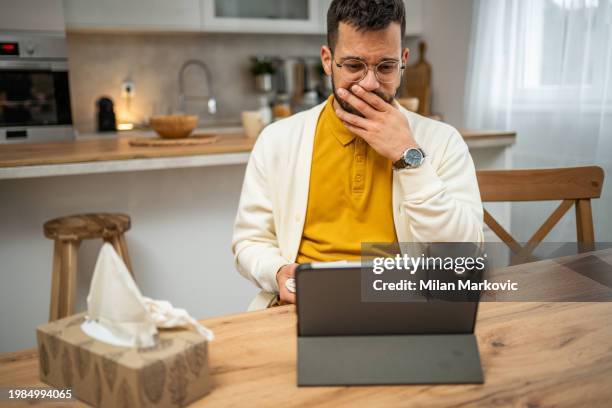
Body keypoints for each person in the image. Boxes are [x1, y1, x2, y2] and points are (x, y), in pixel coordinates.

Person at [232, 0, 484, 309]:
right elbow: (250, 241)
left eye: (386, 67)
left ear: (403, 60)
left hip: (405, 307)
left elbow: (462, 256)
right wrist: (277, 271)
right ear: (328, 60)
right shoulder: (277, 140)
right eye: (353, 66)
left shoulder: (444, 141)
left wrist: (409, 156)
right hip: (302, 308)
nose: (369, 83)